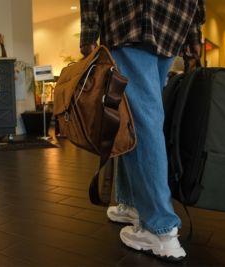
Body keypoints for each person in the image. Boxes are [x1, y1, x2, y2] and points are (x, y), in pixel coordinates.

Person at [80, 0, 205, 261]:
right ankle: (132, 204)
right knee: (135, 115)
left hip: (131, 16)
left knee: (142, 119)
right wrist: (194, 31)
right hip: (174, 17)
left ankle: (160, 229)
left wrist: (89, 31)